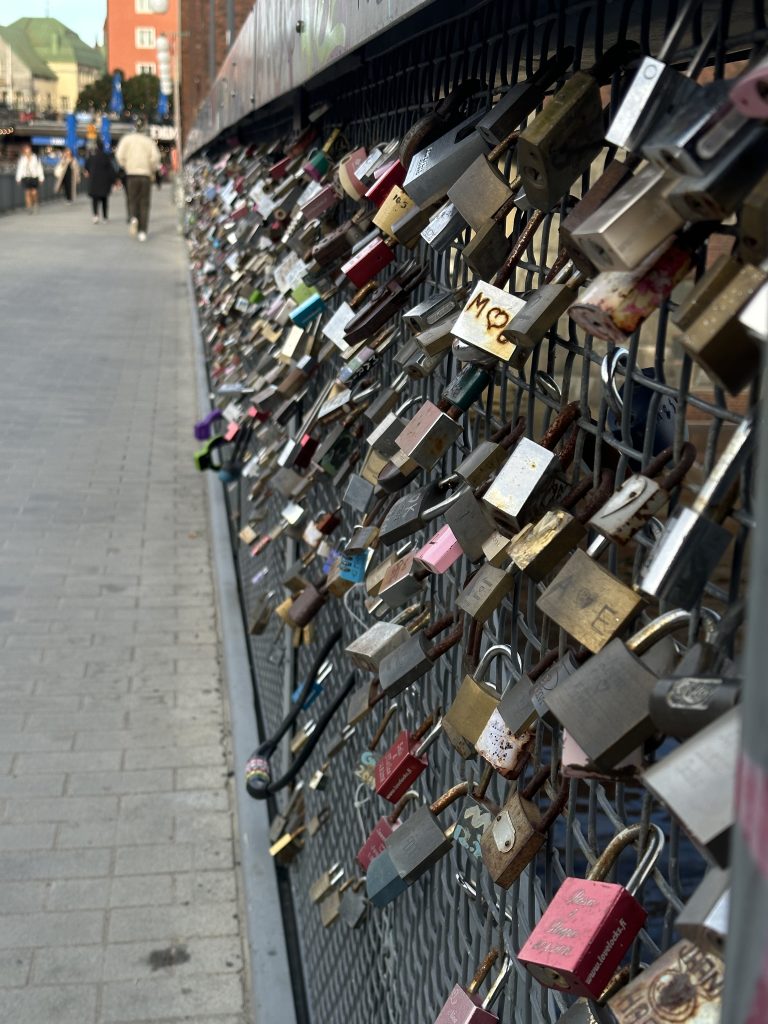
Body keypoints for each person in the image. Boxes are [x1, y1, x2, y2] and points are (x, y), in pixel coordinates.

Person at [115, 120, 161, 242]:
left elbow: (119, 155)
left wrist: (125, 165)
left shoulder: (126, 139)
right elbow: (156, 158)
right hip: (145, 174)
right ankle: (143, 231)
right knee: (144, 203)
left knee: (132, 199)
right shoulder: (149, 141)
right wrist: (151, 169)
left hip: (131, 174)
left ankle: (133, 216)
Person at [84, 139, 117, 223]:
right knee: (104, 200)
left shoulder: (91, 157)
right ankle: (105, 217)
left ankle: (95, 216)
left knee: (95, 200)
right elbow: (111, 170)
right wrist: (114, 181)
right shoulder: (106, 157)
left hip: (94, 181)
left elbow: (86, 167)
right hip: (104, 182)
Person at [15, 143, 45, 213]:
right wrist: (18, 178)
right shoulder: (22, 159)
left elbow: (39, 168)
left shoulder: (35, 158)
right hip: (26, 177)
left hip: (34, 177)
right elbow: (20, 168)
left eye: (28, 150)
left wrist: (41, 177)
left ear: (30, 150)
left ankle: (35, 204)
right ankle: (29, 207)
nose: (27, 152)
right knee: (27, 193)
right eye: (26, 151)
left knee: (34, 192)